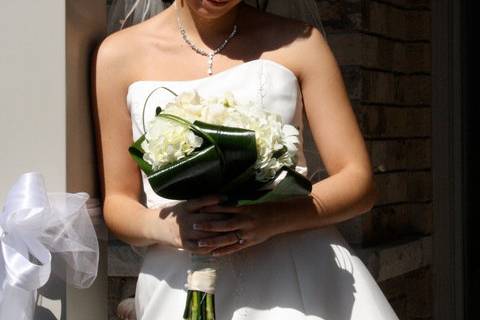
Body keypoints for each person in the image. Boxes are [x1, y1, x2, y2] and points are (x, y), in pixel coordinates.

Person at [92, 0, 399, 319]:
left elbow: (358, 180)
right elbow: (118, 201)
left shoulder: (302, 44)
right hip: (177, 279)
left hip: (298, 277)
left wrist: (270, 219)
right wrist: (171, 229)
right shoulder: (118, 55)